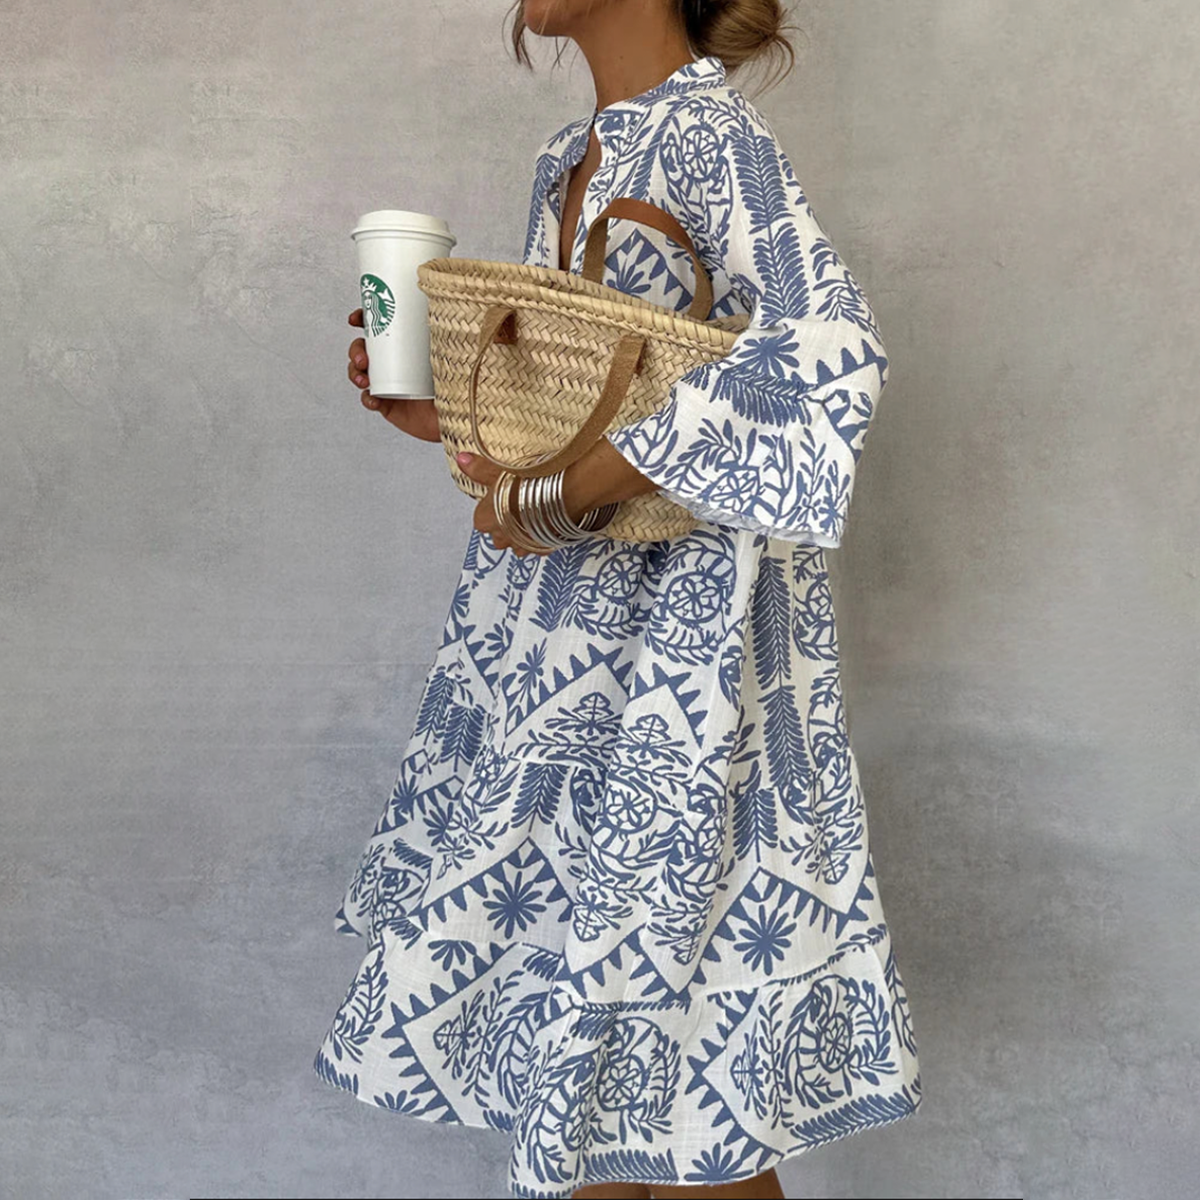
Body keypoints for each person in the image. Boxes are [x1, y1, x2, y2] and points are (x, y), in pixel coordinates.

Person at [314, 3, 922, 1197]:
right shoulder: (568, 158)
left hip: (681, 681)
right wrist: (441, 408)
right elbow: (573, 402)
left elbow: (831, 352)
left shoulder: (710, 136)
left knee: (680, 1082)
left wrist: (585, 482)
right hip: (564, 670)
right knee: (604, 1084)